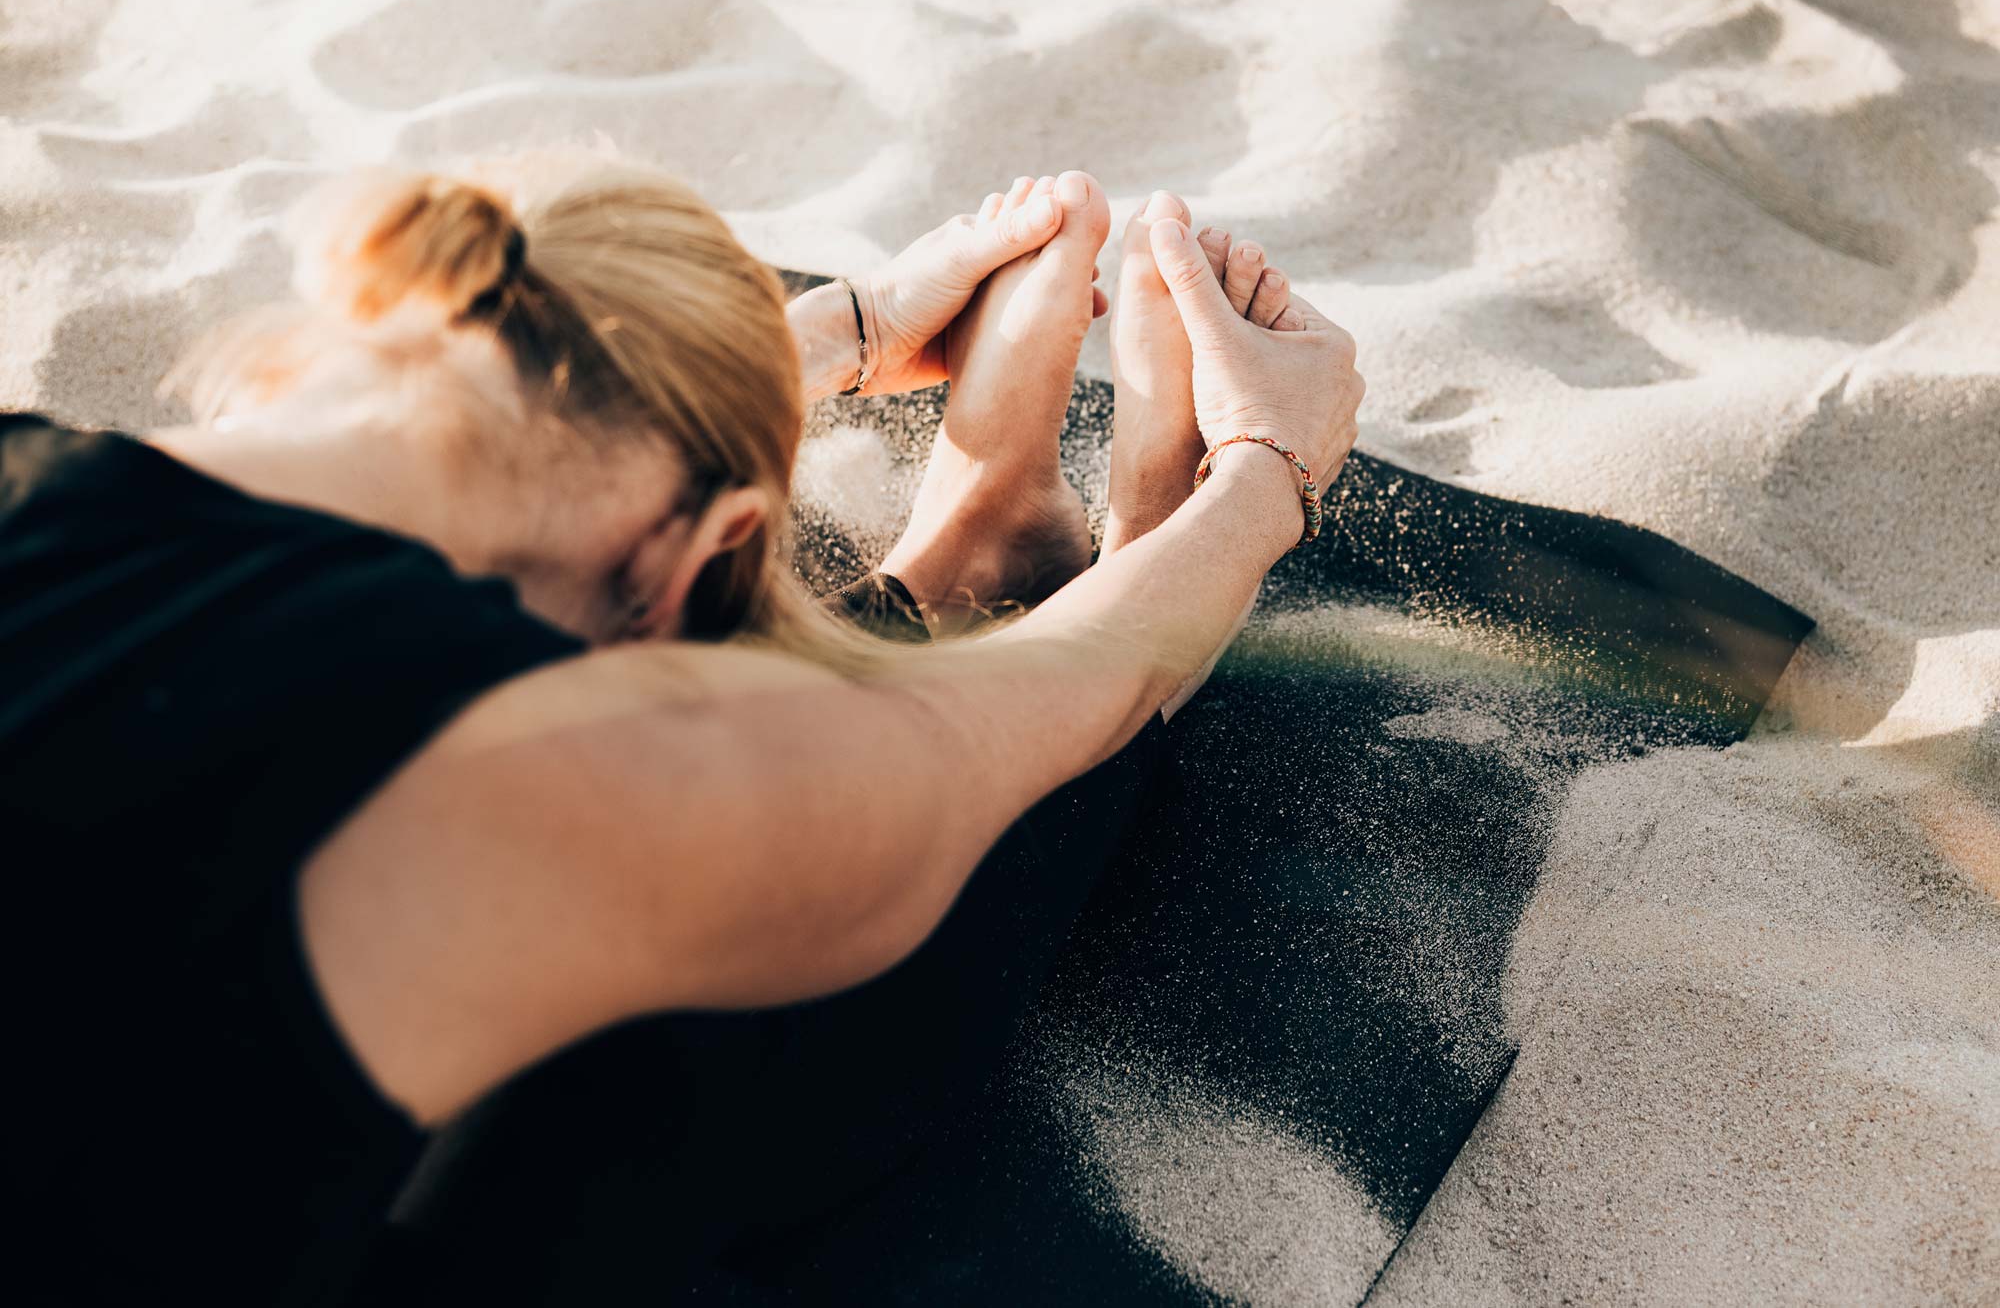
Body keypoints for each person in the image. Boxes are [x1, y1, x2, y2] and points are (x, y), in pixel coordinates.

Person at [1, 155, 1361, 1305]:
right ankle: (1069, 562)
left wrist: (850, 329)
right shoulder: (506, 783)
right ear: (695, 554)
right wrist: (1255, 488)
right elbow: (925, 777)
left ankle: (972, 536)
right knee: (690, 1045)